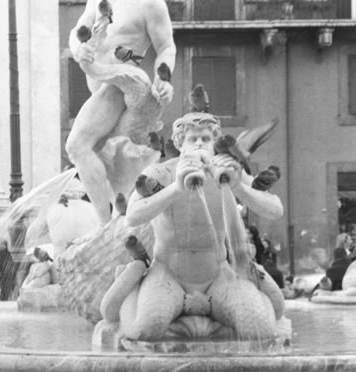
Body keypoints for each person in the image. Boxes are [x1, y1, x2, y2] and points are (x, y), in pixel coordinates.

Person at [102, 112, 284, 340]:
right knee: (145, 329)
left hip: (218, 274)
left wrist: (239, 187)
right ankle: (132, 294)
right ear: (179, 144)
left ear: (214, 142)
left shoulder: (227, 169)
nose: (199, 143)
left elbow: (275, 210)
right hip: (169, 274)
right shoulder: (162, 172)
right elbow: (133, 217)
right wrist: (177, 187)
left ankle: (254, 293)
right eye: (192, 139)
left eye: (205, 139)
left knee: (260, 329)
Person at [66, 0, 176, 224]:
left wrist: (163, 80)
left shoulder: (150, 4)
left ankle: (104, 225)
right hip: (100, 87)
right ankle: (118, 219)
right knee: (108, 160)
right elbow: (78, 30)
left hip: (120, 86)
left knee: (77, 146)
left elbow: (166, 47)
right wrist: (79, 48)